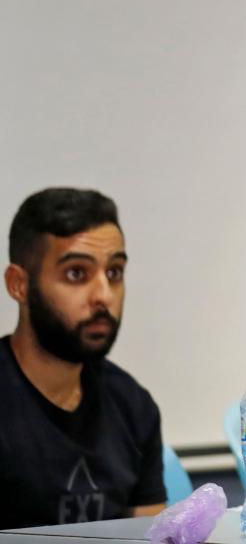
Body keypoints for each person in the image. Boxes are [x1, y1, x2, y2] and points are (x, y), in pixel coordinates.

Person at [1, 188, 166, 529]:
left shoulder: (134, 407)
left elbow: (152, 536)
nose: (104, 296)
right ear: (19, 284)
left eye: (115, 273)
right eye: (77, 273)